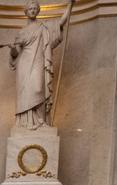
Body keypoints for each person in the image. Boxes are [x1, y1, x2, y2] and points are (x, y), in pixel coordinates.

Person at [6, 0, 75, 130]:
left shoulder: (44, 27)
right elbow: (16, 54)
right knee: (25, 93)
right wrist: (11, 48)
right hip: (24, 65)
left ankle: (40, 121)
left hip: (38, 61)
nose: (32, 10)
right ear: (26, 12)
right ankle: (24, 123)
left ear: (38, 11)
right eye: (30, 9)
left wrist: (70, 5)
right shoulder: (21, 32)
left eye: (34, 8)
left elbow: (61, 22)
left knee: (38, 88)